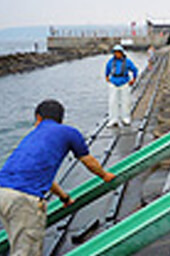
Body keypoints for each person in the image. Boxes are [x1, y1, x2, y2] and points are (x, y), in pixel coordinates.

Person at [0, 100, 115, 255]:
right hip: (24, 199)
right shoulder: (68, 132)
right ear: (61, 119)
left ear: (38, 118)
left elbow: (40, 178)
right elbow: (88, 161)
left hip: (3, 192)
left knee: (16, 242)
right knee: (26, 251)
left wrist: (64, 198)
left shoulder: (31, 138)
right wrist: (105, 175)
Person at [105, 45, 138, 127]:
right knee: (113, 102)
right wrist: (107, 77)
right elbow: (107, 70)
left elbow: (134, 70)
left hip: (124, 82)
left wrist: (134, 79)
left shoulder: (127, 62)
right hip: (114, 83)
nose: (117, 54)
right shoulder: (111, 62)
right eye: (115, 52)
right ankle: (113, 119)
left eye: (119, 52)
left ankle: (126, 118)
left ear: (122, 53)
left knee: (126, 101)